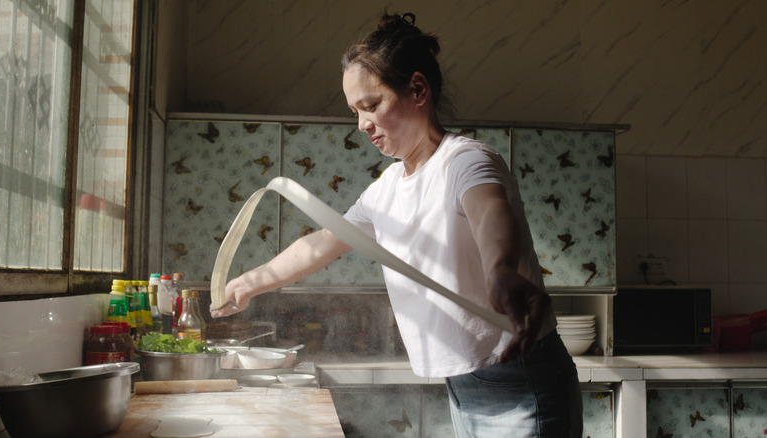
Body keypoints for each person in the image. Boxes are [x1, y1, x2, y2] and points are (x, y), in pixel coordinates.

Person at [212, 12, 583, 437]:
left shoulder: (465, 161)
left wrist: (500, 268)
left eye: (371, 105)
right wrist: (246, 284)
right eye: (355, 111)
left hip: (521, 378)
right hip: (469, 382)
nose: (362, 124)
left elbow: (489, 211)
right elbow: (321, 244)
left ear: (418, 89)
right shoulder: (386, 189)